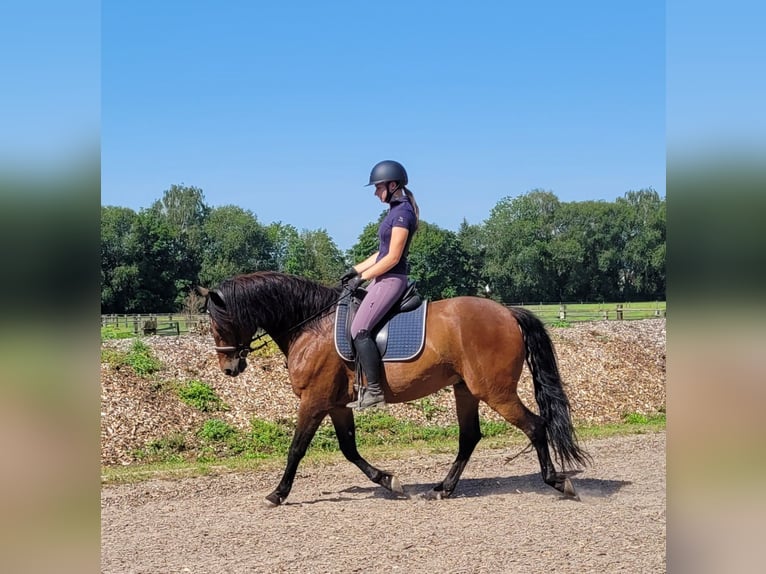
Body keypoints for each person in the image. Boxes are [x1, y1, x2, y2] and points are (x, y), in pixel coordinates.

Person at [341, 160, 420, 409]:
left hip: (392, 279)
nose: (376, 192)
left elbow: (393, 257)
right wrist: (355, 270)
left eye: (378, 187)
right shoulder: (394, 212)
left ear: (392, 185)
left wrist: (362, 279)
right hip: (381, 276)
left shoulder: (403, 213)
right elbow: (380, 253)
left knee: (359, 329)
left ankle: (374, 391)